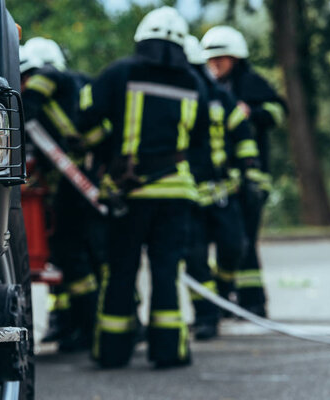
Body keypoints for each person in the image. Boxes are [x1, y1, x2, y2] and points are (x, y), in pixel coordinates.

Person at [77, 7, 210, 368]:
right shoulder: (195, 83)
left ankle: (113, 351)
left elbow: (84, 115)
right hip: (177, 194)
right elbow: (202, 145)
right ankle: (169, 351)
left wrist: (107, 152)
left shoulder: (120, 73)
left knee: (121, 270)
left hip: (131, 194)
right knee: (168, 272)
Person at [20, 38, 102, 350]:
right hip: (78, 175)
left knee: (74, 253)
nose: (24, 84)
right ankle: (73, 327)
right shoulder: (77, 84)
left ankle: (86, 328)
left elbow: (26, 109)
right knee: (76, 253)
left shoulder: (49, 75)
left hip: (75, 177)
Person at [201, 26, 287, 317]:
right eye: (211, 60)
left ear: (236, 58)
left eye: (221, 59)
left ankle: (253, 302)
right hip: (225, 181)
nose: (215, 64)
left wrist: (253, 111)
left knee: (245, 240)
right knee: (231, 241)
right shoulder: (208, 88)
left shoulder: (250, 83)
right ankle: (229, 299)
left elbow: (278, 111)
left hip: (252, 178)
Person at [183, 36, 261, 339]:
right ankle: (206, 316)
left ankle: (224, 289)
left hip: (223, 192)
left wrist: (250, 174)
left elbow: (243, 136)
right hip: (189, 195)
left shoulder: (220, 97)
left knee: (235, 247)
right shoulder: (176, 98)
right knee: (195, 259)